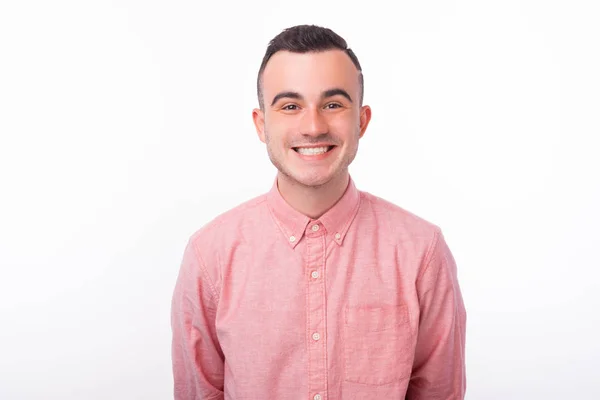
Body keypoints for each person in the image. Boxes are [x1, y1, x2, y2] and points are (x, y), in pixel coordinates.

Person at [171, 24, 466, 400]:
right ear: (262, 124)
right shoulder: (209, 255)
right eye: (290, 106)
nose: (313, 127)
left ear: (361, 120)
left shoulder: (421, 252)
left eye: (332, 104)